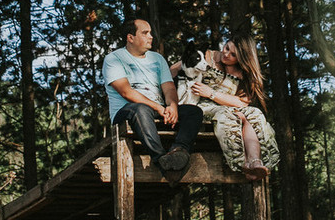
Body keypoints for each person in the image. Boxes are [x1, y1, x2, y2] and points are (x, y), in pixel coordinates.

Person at [103, 18, 204, 177]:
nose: (151, 36)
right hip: (127, 112)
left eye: (150, 32)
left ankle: (178, 151)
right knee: (140, 109)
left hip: (157, 111)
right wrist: (158, 107)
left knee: (194, 112)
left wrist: (172, 106)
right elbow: (126, 92)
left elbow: (169, 87)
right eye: (145, 33)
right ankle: (161, 160)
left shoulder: (157, 59)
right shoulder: (113, 59)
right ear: (131, 37)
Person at [174, 34, 279, 181]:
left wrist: (211, 93)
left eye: (233, 55)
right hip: (202, 106)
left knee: (255, 113)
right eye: (227, 47)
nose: (226, 53)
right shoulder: (208, 56)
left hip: (229, 105)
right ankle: (242, 163)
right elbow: (177, 68)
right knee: (226, 113)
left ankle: (255, 161)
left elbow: (243, 102)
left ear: (242, 59)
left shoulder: (243, 73)